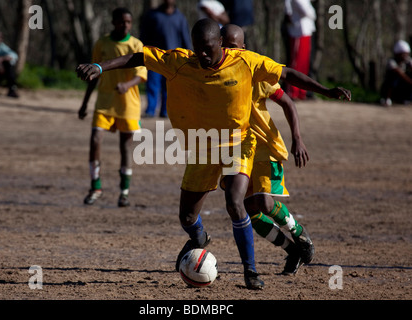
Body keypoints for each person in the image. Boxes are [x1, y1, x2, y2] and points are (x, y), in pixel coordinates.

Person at [76, 18, 350, 289]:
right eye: (198, 49)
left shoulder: (246, 61)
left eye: (208, 48)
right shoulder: (182, 61)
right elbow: (139, 57)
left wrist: (325, 91)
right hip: (201, 145)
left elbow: (287, 74)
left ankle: (250, 270)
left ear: (221, 43)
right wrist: (100, 66)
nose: (203, 55)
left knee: (236, 201)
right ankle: (199, 239)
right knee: (186, 217)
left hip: (239, 143)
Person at [220, 24, 313, 276]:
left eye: (233, 46)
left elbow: (287, 102)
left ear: (243, 49)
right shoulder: (213, 75)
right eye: (223, 46)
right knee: (246, 210)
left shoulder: (256, 73)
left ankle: (299, 233)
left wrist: (297, 138)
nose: (228, 51)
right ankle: (290, 250)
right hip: (233, 149)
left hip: (264, 148)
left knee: (262, 200)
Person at [78, 7, 147, 207]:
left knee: (125, 147)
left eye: (128, 22)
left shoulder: (136, 44)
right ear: (113, 23)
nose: (124, 25)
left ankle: (124, 192)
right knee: (95, 139)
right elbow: (94, 73)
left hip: (128, 105)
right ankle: (95, 186)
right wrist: (84, 103)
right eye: (121, 21)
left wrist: (127, 85)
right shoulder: (102, 43)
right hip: (105, 102)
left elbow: (142, 74)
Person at [139, 0, 191, 118]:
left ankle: (165, 111)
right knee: (152, 84)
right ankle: (150, 110)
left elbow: (185, 39)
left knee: (169, 86)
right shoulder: (152, 15)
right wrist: (142, 52)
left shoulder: (180, 18)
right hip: (154, 58)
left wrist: (189, 57)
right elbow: (144, 35)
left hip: (173, 59)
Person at [284, 0, 316, 100]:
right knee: (296, 63)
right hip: (298, 31)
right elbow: (308, 12)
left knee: (303, 64)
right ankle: (292, 91)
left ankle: (301, 92)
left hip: (306, 31)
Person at [380, 40, 412, 106]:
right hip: (391, 87)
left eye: (406, 53)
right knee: (393, 77)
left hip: (403, 86)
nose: (405, 56)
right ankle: (387, 98)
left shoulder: (408, 61)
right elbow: (399, 74)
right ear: (397, 54)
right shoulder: (391, 62)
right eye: (403, 54)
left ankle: (407, 99)